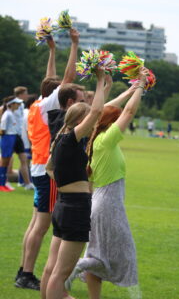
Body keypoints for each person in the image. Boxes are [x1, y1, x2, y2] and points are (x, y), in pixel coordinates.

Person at [65, 67, 149, 299]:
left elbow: (102, 110)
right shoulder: (107, 140)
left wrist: (130, 89)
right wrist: (141, 85)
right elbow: (129, 112)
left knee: (99, 251)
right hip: (108, 203)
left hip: (99, 202)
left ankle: (89, 285)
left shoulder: (95, 138)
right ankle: (78, 268)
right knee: (125, 250)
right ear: (112, 123)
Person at [15, 28, 79, 291]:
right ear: (54, 95)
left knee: (34, 224)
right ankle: (26, 274)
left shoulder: (36, 104)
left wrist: (52, 50)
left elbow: (50, 79)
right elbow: (66, 78)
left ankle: (23, 270)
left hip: (37, 166)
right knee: (41, 226)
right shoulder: (48, 105)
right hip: (45, 170)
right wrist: (74, 45)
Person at [40, 67, 105, 299]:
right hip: (75, 207)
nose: (92, 123)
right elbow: (97, 110)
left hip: (63, 205)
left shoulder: (60, 138)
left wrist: (105, 85)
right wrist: (98, 79)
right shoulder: (71, 138)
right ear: (80, 120)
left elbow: (49, 168)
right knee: (61, 273)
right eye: (87, 119)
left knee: (52, 269)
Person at [0, 96, 23, 191]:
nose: (18, 105)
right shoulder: (7, 114)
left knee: (7, 161)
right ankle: (1, 184)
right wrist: (5, 139)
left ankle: (3, 183)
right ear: (12, 104)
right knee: (4, 161)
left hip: (11, 137)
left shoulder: (11, 113)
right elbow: (2, 129)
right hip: (7, 138)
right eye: (17, 103)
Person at [13, 86, 34, 190]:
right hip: (23, 139)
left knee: (24, 161)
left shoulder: (19, 106)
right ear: (20, 95)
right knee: (24, 161)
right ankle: (24, 182)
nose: (27, 95)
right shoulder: (20, 106)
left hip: (20, 138)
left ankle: (22, 181)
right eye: (26, 93)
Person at [18, 94, 38, 186]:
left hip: (22, 140)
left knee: (24, 162)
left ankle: (21, 181)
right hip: (26, 142)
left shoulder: (24, 112)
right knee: (26, 162)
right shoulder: (29, 113)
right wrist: (31, 143)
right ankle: (26, 182)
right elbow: (28, 130)